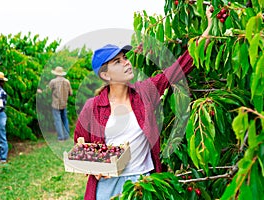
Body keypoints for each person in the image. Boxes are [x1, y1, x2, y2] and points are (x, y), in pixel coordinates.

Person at [74, 6, 213, 200]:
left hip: (144, 182)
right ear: (105, 75)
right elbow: (80, 144)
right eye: (117, 62)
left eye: (125, 58)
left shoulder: (145, 92)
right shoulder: (92, 107)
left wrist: (210, 27)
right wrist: (95, 168)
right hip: (108, 185)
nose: (126, 63)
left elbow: (179, 67)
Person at [47, 66, 73, 141]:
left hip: (55, 104)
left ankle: (61, 137)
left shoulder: (53, 82)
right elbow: (71, 93)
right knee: (65, 119)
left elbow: (48, 92)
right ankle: (66, 136)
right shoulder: (67, 81)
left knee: (58, 120)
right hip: (64, 103)